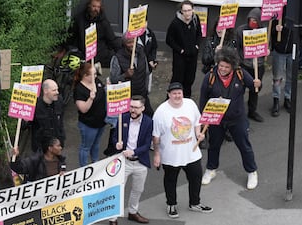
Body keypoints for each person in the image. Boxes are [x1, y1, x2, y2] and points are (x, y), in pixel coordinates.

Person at [199, 47, 260, 190]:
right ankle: (211, 169)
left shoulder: (240, 74)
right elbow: (203, 99)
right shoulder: (210, 77)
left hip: (237, 118)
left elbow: (254, 87)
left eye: (226, 67)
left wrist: (258, 84)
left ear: (233, 66)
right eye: (221, 66)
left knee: (244, 146)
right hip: (216, 119)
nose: (223, 69)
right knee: (214, 145)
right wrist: (203, 118)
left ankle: (252, 171)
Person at [152, 82, 212, 218]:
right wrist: (156, 154)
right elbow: (156, 137)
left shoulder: (190, 104)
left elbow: (197, 122)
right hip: (171, 155)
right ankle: (171, 204)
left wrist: (198, 134)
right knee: (170, 180)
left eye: (179, 93)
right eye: (174, 93)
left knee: (196, 178)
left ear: (182, 93)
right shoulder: (161, 112)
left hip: (191, 153)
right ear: (168, 95)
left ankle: (195, 203)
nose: (177, 96)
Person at [108, 95, 152, 225]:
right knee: (118, 189)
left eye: (136, 107)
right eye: (131, 106)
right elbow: (115, 137)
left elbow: (147, 143)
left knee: (138, 189)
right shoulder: (123, 118)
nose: (133, 110)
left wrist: (134, 151)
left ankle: (133, 212)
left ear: (143, 108)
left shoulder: (149, 122)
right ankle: (113, 218)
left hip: (140, 161)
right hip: (124, 161)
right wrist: (117, 144)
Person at [201, 19, 236, 142]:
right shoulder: (210, 41)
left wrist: (222, 54)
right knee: (209, 104)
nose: (220, 29)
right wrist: (214, 53)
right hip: (212, 77)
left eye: (223, 27)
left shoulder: (231, 42)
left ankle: (224, 129)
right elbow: (205, 60)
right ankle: (205, 131)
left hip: (225, 78)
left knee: (224, 103)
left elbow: (234, 60)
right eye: (218, 26)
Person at [110, 33, 154, 117]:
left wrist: (147, 89)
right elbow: (113, 80)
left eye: (133, 41)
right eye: (128, 42)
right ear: (124, 43)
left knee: (149, 118)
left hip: (142, 94)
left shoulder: (141, 51)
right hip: (127, 97)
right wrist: (125, 75)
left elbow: (146, 72)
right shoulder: (117, 58)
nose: (132, 45)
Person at [236, 7, 267, 122]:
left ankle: (252, 111)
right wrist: (240, 61)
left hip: (258, 65)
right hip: (244, 65)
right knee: (240, 90)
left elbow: (266, 46)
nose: (253, 22)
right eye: (251, 19)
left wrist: (266, 51)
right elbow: (237, 48)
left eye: (255, 20)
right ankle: (239, 112)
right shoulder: (240, 30)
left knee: (256, 89)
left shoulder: (263, 31)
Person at [68, 0, 121, 68]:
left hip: (99, 53)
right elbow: (71, 35)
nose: (96, 9)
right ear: (89, 6)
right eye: (94, 6)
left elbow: (111, 39)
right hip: (83, 52)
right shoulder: (79, 18)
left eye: (98, 7)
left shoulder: (103, 22)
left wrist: (121, 52)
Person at [166, 0, 202, 98]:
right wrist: (180, 50)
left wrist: (197, 46)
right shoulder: (175, 23)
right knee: (177, 80)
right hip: (180, 57)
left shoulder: (195, 19)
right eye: (185, 11)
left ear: (193, 10)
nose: (187, 13)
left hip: (193, 56)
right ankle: (171, 99)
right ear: (181, 11)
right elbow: (169, 40)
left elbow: (199, 33)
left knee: (189, 80)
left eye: (189, 10)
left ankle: (186, 99)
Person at [73, 62, 106, 167]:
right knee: (86, 146)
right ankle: (84, 167)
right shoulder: (79, 90)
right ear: (85, 76)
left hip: (101, 121)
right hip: (89, 124)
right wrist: (90, 98)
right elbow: (83, 109)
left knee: (96, 144)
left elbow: (102, 93)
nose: (96, 76)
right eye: (93, 74)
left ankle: (95, 163)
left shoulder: (96, 81)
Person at [270, 6, 292, 116]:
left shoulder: (297, 15)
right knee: (277, 78)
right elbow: (270, 31)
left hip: (292, 51)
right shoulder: (278, 12)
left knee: (290, 77)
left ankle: (288, 98)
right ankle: (276, 100)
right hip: (279, 51)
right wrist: (275, 29)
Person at [31, 79, 65, 151]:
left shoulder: (59, 101)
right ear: (45, 91)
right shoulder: (35, 106)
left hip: (56, 145)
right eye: (54, 90)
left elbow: (60, 121)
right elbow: (26, 125)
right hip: (41, 146)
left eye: (57, 89)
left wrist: (61, 139)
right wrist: (25, 120)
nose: (57, 92)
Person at [137, 25, 158, 93]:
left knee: (146, 90)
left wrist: (151, 59)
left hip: (147, 69)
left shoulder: (150, 34)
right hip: (137, 68)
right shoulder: (132, 35)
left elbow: (154, 48)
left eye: (144, 22)